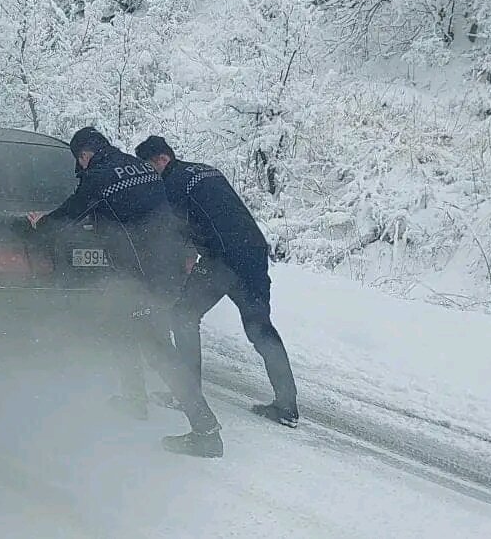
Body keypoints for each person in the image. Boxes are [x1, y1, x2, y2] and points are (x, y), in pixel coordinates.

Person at [26, 127, 222, 455]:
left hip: (143, 276)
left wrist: (40, 223)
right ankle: (134, 399)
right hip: (168, 266)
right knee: (122, 326)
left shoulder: (98, 177)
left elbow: (69, 216)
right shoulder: (141, 167)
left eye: (80, 161)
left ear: (84, 155)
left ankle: (206, 432)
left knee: (159, 349)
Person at [134, 135, 300, 448]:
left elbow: (174, 230)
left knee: (183, 316)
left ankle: (187, 393)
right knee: (261, 328)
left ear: (160, 160)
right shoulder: (205, 170)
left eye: (148, 167)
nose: (149, 175)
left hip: (222, 259)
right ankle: (287, 406)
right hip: (252, 250)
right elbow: (215, 211)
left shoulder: (172, 185)